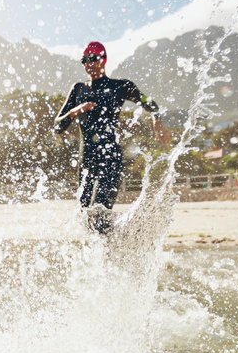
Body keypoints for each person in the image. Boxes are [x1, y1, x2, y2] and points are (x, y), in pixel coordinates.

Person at [53, 41, 170, 232]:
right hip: (86, 161)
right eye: (84, 59)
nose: (88, 63)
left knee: (100, 215)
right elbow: (58, 126)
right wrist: (75, 110)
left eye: (92, 58)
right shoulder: (78, 89)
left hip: (110, 159)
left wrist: (157, 120)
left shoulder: (121, 86)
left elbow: (148, 102)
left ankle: (116, 247)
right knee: (86, 217)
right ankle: (113, 250)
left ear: (103, 60)